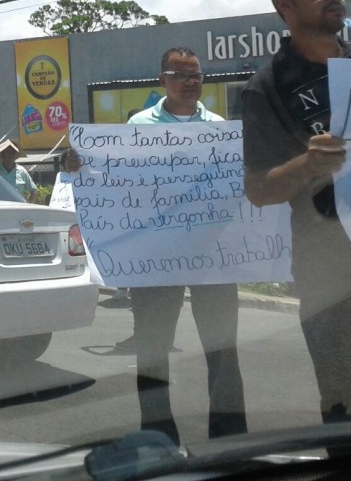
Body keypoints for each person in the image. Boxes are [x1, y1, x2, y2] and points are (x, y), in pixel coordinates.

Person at [67, 47, 247, 445]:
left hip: (212, 255)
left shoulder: (220, 128)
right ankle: (158, 436)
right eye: (180, 74)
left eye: (196, 74)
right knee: (153, 348)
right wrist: (81, 167)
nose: (190, 81)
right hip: (155, 258)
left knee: (223, 349)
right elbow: (115, 179)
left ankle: (231, 436)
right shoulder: (138, 126)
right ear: (161, 81)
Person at [242, 0, 351, 430]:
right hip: (329, 266)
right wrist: (308, 163)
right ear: (285, 6)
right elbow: (258, 190)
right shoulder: (268, 87)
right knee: (349, 406)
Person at [0, 138, 38, 203]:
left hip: (19, 209)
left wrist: (31, 206)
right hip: (1, 208)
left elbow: (33, 191)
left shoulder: (22, 171)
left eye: (13, 152)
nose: (11, 155)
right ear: (3, 155)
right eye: (8, 152)